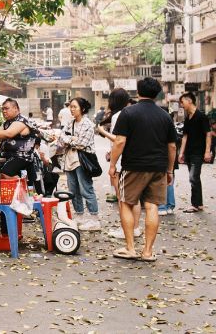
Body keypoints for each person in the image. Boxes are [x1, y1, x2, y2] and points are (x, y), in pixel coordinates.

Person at [110, 77, 177, 262]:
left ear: (138, 91)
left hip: (133, 167)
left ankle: (131, 248)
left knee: (125, 203)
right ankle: (147, 252)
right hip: (158, 168)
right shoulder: (165, 115)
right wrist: (170, 170)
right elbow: (172, 147)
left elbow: (120, 141)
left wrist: (112, 165)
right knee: (152, 206)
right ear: (157, 93)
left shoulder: (128, 112)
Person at [97, 88, 143, 238]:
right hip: (134, 158)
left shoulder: (119, 115)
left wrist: (103, 132)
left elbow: (119, 140)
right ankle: (135, 227)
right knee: (134, 197)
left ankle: (126, 229)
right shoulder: (132, 113)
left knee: (122, 197)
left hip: (124, 161)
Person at [58, 97, 101, 231]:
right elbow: (60, 138)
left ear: (82, 109)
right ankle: (79, 216)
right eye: (70, 106)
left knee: (86, 189)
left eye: (74, 107)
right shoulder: (70, 123)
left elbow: (81, 144)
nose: (71, 109)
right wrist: (71, 139)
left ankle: (94, 219)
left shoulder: (87, 124)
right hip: (69, 160)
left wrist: (68, 139)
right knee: (73, 190)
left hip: (82, 161)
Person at [0, 98, 37, 179]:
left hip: (22, 156)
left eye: (6, 108)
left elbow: (9, 134)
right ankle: (5, 188)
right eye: (3, 109)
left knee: (7, 172)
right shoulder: (7, 123)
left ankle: (21, 187)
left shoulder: (21, 121)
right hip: (7, 156)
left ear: (16, 109)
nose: (4, 111)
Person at [178, 92, 212, 213]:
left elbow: (208, 134)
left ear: (189, 101)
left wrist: (207, 151)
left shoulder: (201, 116)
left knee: (193, 177)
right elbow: (185, 137)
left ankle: (195, 204)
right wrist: (181, 153)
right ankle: (199, 204)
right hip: (189, 152)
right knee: (194, 178)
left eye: (182, 102)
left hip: (198, 152)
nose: (181, 105)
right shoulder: (188, 118)